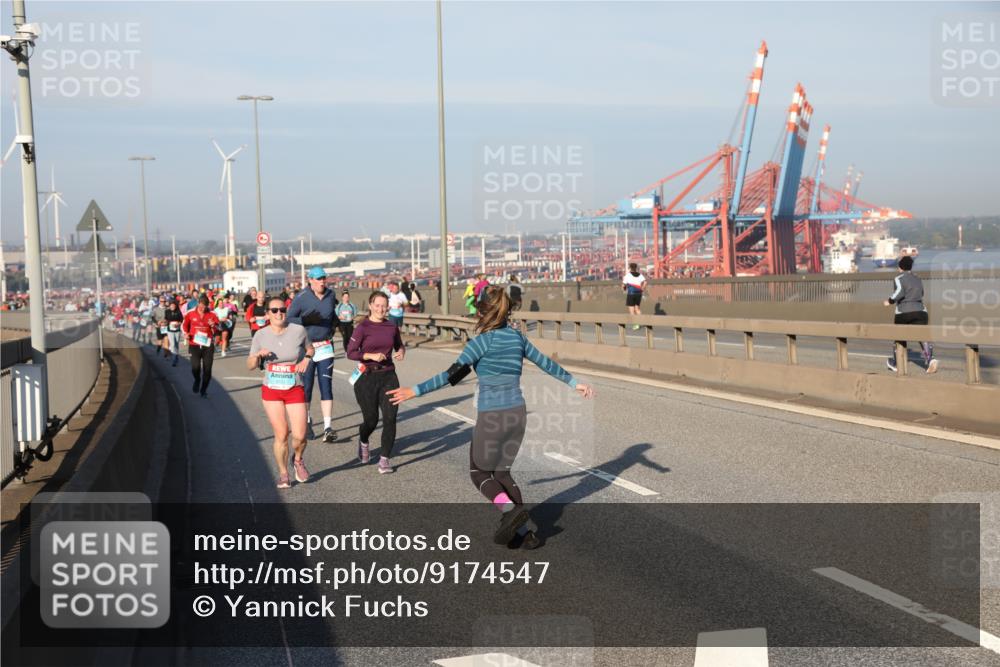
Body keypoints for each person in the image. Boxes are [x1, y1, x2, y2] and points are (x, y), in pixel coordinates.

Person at [389, 286, 594, 547]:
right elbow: (546, 363)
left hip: (492, 416)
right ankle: (526, 534)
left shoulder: (480, 343)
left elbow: (449, 376)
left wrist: (413, 391)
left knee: (479, 473)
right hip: (517, 414)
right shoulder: (518, 338)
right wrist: (574, 383)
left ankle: (511, 511)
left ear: (483, 311)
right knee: (503, 473)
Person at [247, 297, 314, 489]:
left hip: (294, 387)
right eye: (274, 310)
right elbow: (250, 365)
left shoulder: (298, 330)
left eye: (282, 309)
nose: (279, 313)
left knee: (301, 435)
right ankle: (284, 474)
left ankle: (298, 459)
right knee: (282, 433)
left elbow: (310, 348)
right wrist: (258, 356)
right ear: (267, 314)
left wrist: (307, 359)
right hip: (272, 389)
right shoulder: (260, 335)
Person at [346, 291, 405, 472]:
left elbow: (399, 344)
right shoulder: (362, 327)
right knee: (371, 420)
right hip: (366, 377)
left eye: (384, 305)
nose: (381, 309)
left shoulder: (391, 326)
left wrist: (401, 351)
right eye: (377, 305)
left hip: (388, 376)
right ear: (370, 306)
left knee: (390, 418)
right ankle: (364, 441)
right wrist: (369, 355)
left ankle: (384, 459)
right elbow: (351, 352)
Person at [287, 266, 339, 443]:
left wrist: (335, 326)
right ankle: (308, 420)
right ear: (310, 280)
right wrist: (305, 320)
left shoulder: (331, 295)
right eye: (318, 279)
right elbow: (288, 318)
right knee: (307, 387)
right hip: (306, 349)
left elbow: (334, 313)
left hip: (325, 347)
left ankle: (328, 427)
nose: (322, 281)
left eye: (324, 278)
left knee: (326, 386)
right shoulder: (301, 298)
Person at [884, 255, 937, 374]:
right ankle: (930, 360)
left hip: (904, 312)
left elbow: (899, 292)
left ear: (900, 267)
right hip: (921, 311)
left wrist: (889, 301)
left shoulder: (899, 278)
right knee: (922, 336)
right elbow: (921, 293)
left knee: (899, 337)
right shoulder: (917, 278)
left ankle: (896, 363)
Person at [181, 296, 221, 397]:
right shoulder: (190, 313)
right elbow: (184, 326)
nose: (203, 309)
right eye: (201, 306)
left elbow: (219, 327)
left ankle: (203, 390)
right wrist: (185, 333)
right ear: (198, 303)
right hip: (194, 344)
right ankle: (197, 380)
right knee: (195, 367)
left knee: (207, 370)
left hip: (207, 345)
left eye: (205, 307)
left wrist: (214, 325)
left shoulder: (212, 314)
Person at [622, 262, 646, 329]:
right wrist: (642, 289)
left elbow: (623, 285)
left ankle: (636, 324)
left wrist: (624, 289)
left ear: (630, 268)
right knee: (637, 309)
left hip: (631, 294)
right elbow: (645, 282)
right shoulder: (640, 275)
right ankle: (642, 321)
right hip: (639, 293)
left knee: (632, 311)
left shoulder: (627, 276)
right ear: (636, 268)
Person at [214, 293, 238, 357]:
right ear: (218, 304)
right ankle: (215, 345)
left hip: (225, 324)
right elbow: (214, 319)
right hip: (218, 325)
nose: (221, 304)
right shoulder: (215, 310)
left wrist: (228, 318)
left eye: (222, 303)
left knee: (224, 338)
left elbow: (231, 316)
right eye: (220, 303)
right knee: (217, 339)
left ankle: (223, 351)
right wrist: (220, 319)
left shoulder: (227, 309)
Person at [163, 299, 184, 366]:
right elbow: (166, 319)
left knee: (176, 344)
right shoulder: (167, 311)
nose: (172, 306)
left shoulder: (178, 311)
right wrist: (165, 323)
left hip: (177, 330)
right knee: (172, 344)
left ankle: (176, 356)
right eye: (171, 305)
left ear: (175, 306)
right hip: (170, 330)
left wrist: (178, 324)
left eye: (173, 305)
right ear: (169, 306)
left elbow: (181, 319)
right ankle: (174, 359)